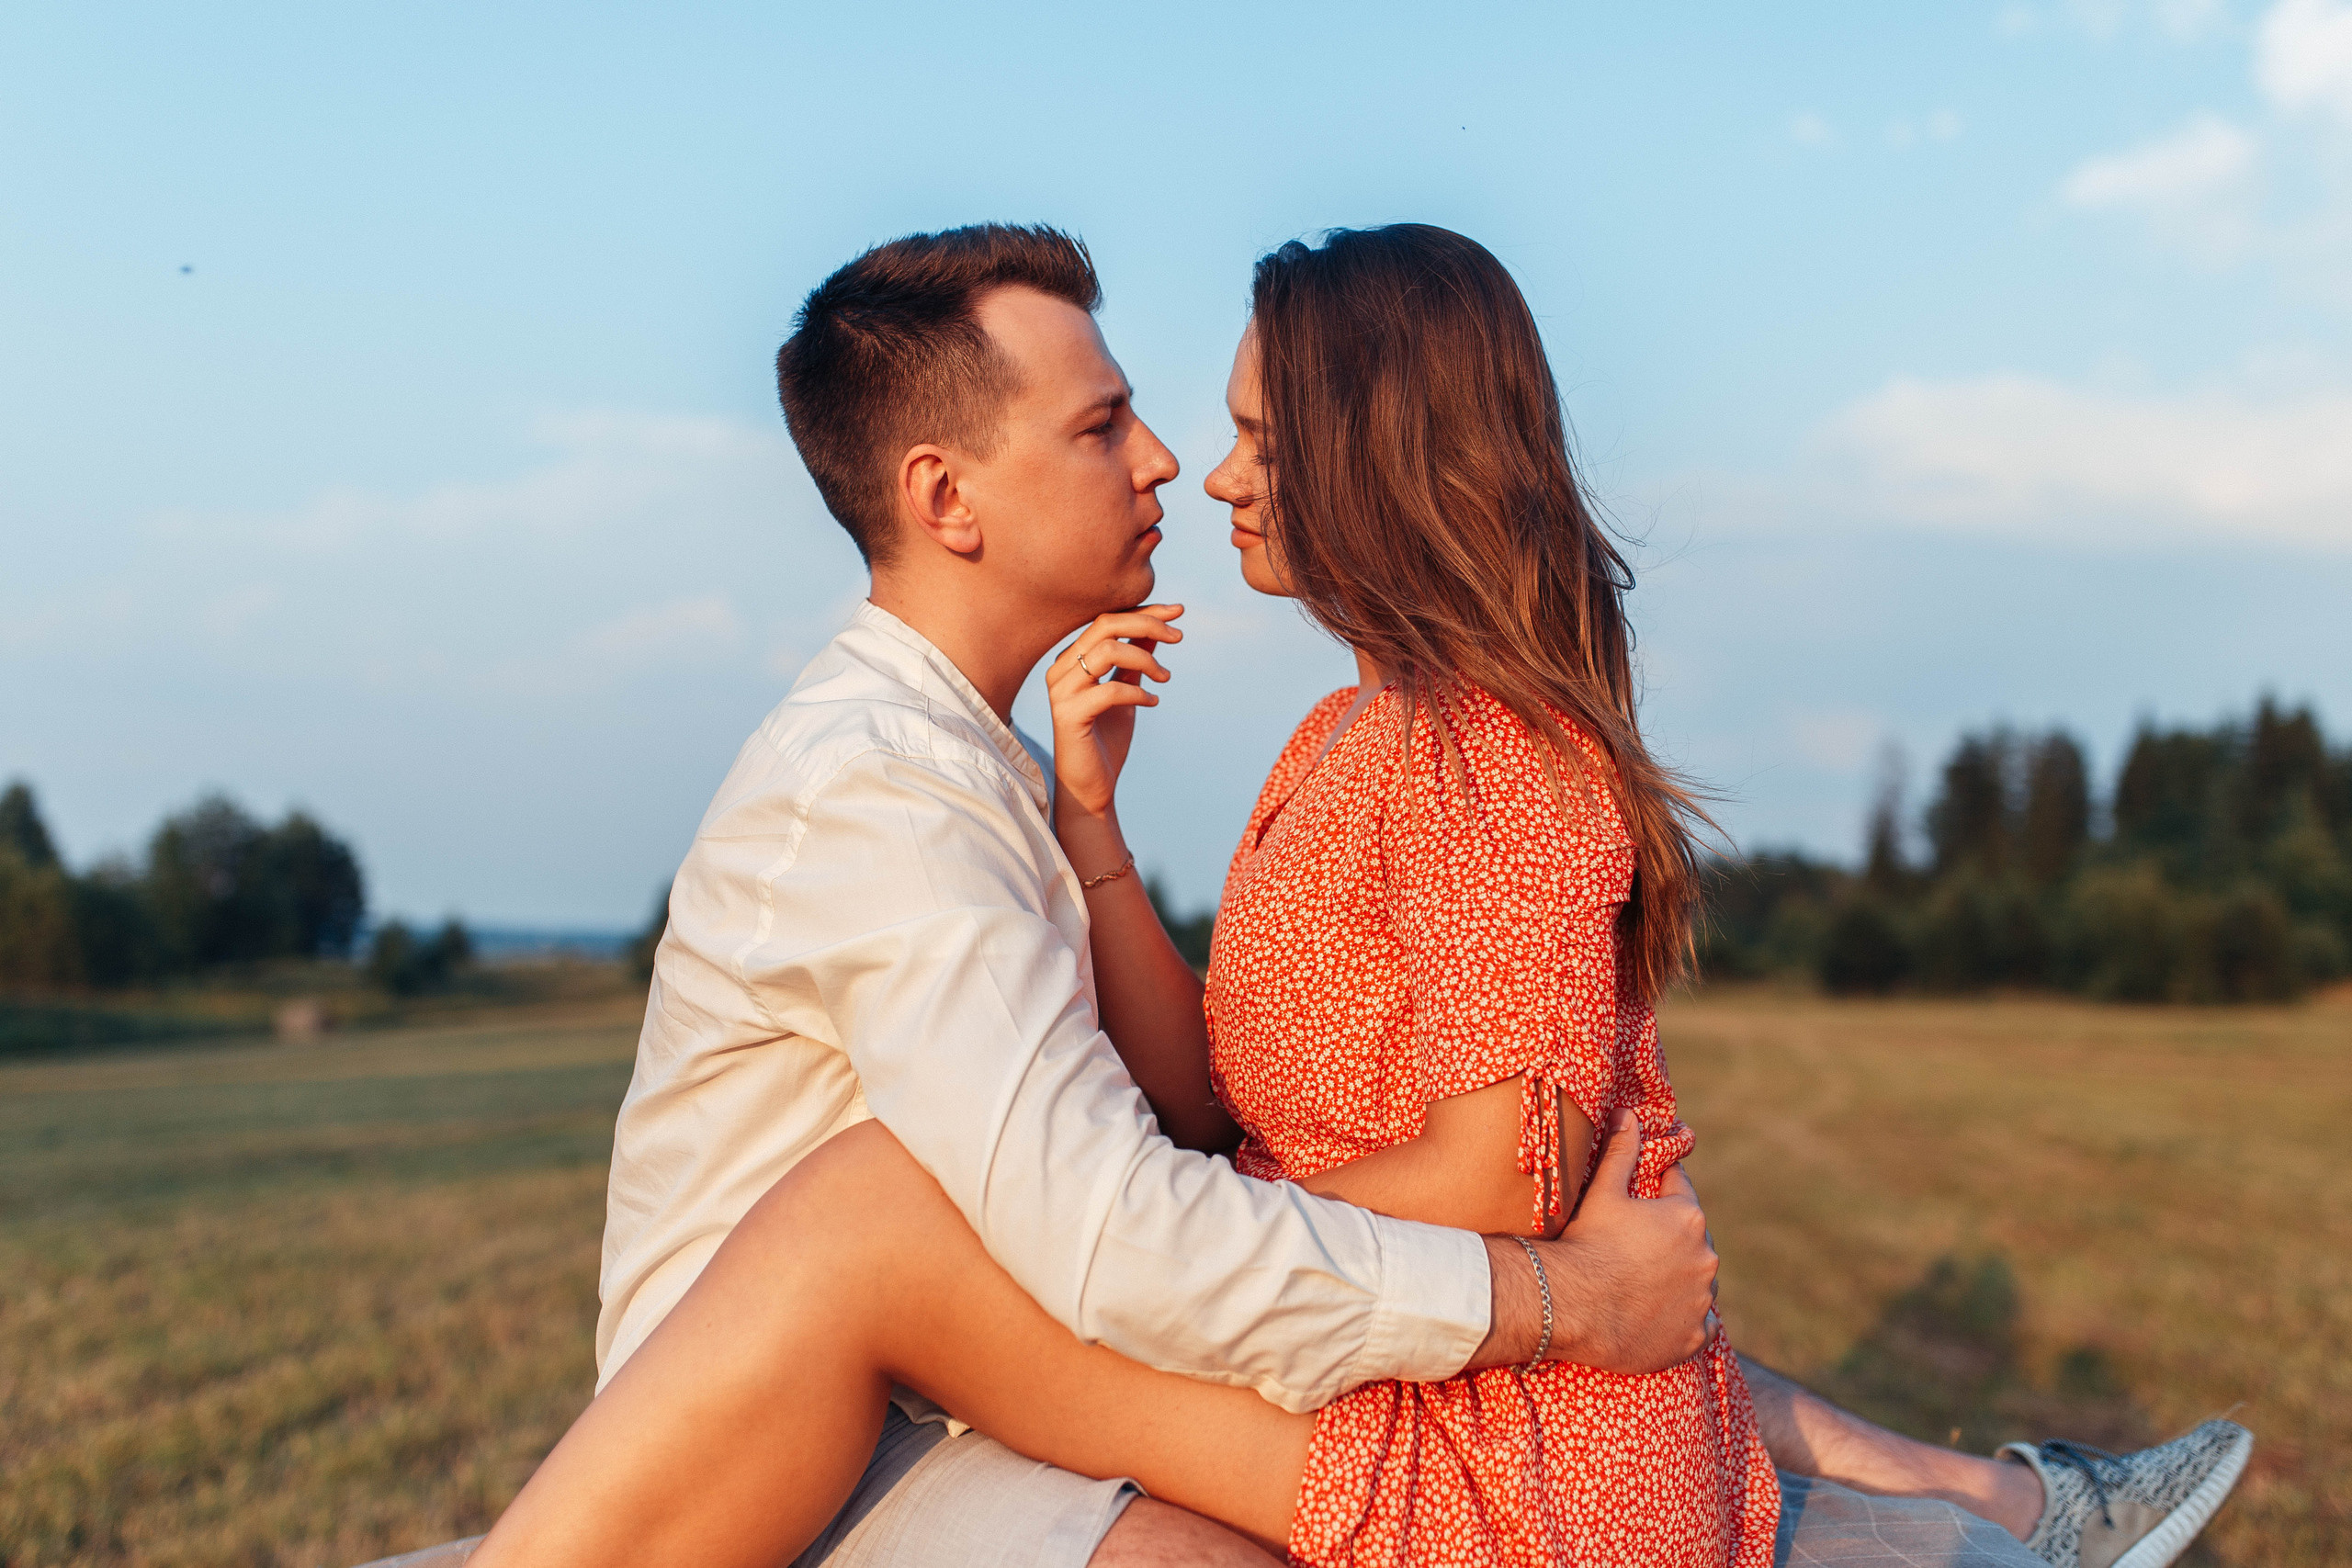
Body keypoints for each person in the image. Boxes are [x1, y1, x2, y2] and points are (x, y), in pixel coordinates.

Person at [447, 223, 2249, 1568]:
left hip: (1369, 1431)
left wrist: (1568, 1292)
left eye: (1229, 426)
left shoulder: (1475, 751)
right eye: (1112, 425)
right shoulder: (945, 786)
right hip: (791, 1403)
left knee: (960, 1221)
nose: (1178, 464)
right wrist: (1093, 832)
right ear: (948, 495)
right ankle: (1989, 1500)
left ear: (1371, 456)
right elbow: (1208, 1144)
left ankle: (1984, 1501)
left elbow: (1445, 1178)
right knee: (926, 1217)